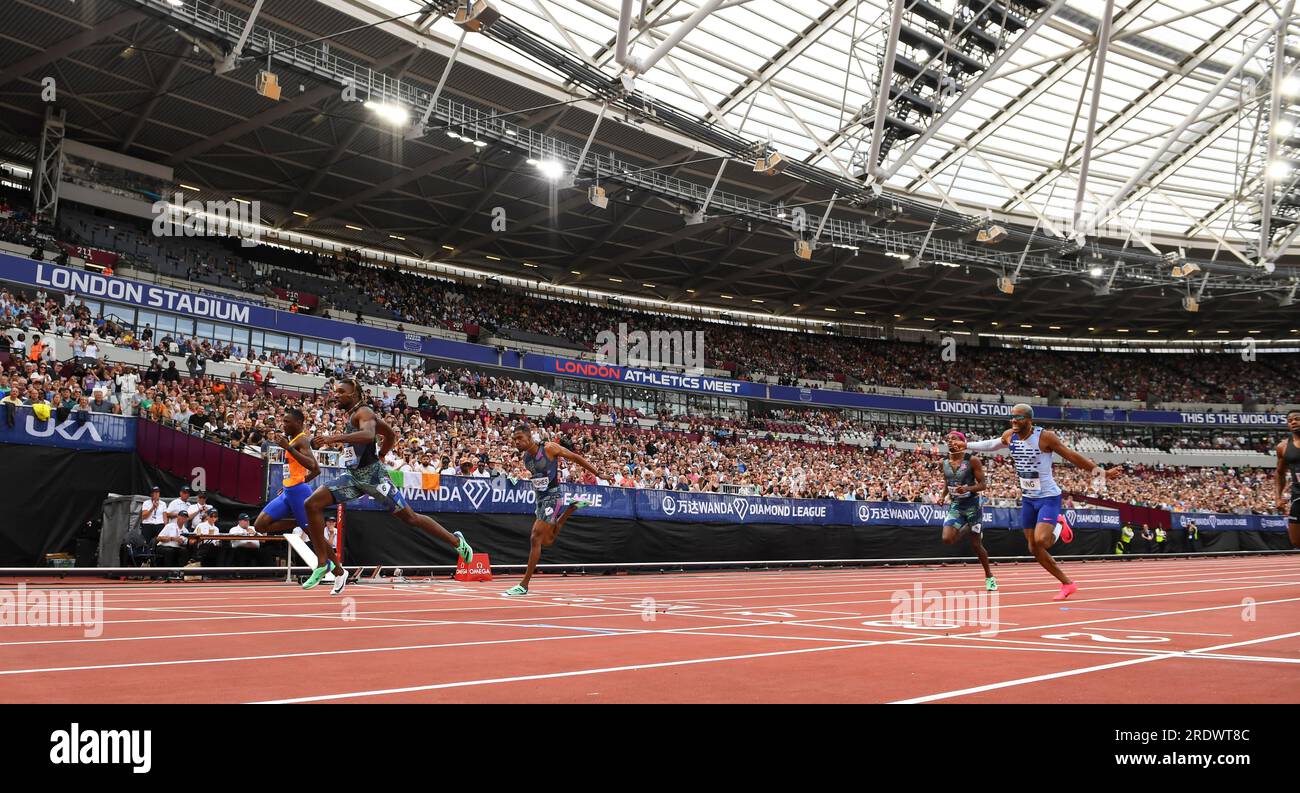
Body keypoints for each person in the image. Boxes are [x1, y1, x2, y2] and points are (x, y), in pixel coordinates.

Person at [306, 378, 472, 594]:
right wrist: (382, 453)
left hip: (375, 478)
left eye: (340, 392)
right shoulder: (357, 414)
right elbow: (391, 434)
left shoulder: (364, 412)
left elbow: (368, 435)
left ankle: (457, 541)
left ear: (354, 393)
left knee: (411, 518)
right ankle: (324, 563)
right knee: (312, 504)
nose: (335, 395)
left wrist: (332, 438)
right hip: (354, 477)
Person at [963, 404, 1121, 601]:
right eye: (1012, 417)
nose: (1013, 421)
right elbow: (992, 444)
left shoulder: (1045, 437)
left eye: (1018, 418)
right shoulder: (1010, 435)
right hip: (1029, 499)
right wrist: (966, 445)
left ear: (1029, 420)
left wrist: (1102, 472)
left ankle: (1059, 524)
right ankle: (1067, 584)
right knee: (1033, 548)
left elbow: (1072, 456)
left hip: (1048, 497)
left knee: (1041, 541)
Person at [503, 422, 600, 597]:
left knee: (535, 537)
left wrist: (598, 474)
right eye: (514, 439)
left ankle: (524, 584)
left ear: (529, 437)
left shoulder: (549, 448)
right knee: (547, 540)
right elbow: (539, 480)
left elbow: (575, 457)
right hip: (540, 499)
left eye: (520, 438)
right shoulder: (526, 459)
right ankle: (572, 508)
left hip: (553, 497)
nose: (517, 442)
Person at [254, 406, 320, 544]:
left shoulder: (302, 440)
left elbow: (313, 467)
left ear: (298, 423)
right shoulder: (293, 440)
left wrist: (288, 448)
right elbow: (316, 471)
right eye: (283, 421)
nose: (283, 425)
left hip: (298, 492)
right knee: (259, 525)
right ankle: (299, 520)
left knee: (311, 532)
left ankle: (333, 563)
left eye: (287, 422)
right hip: (288, 491)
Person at [939, 431, 995, 591]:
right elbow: (947, 482)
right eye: (947, 439)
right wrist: (943, 496)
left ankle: (989, 576)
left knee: (976, 545)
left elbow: (983, 485)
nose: (950, 441)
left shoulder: (972, 460)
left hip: (972, 505)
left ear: (963, 442)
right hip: (956, 504)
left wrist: (967, 488)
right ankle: (970, 527)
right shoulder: (944, 462)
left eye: (954, 438)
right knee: (947, 539)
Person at [1275, 409, 1300, 548]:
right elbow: (1279, 473)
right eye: (1290, 421)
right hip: (1298, 496)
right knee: (1296, 540)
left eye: (1297, 419)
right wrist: (1278, 497)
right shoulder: (1283, 447)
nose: (1294, 422)